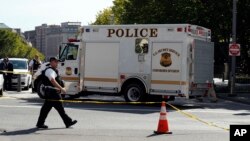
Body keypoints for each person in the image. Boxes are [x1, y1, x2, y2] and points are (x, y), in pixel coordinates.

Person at [36, 57, 77, 129]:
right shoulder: (50, 70)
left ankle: (40, 123)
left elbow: (57, 80)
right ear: (51, 62)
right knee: (60, 109)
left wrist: (63, 86)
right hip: (53, 94)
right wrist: (61, 89)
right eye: (55, 61)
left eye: (57, 62)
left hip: (51, 93)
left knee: (45, 109)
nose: (57, 63)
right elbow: (52, 80)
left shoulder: (53, 70)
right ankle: (68, 122)